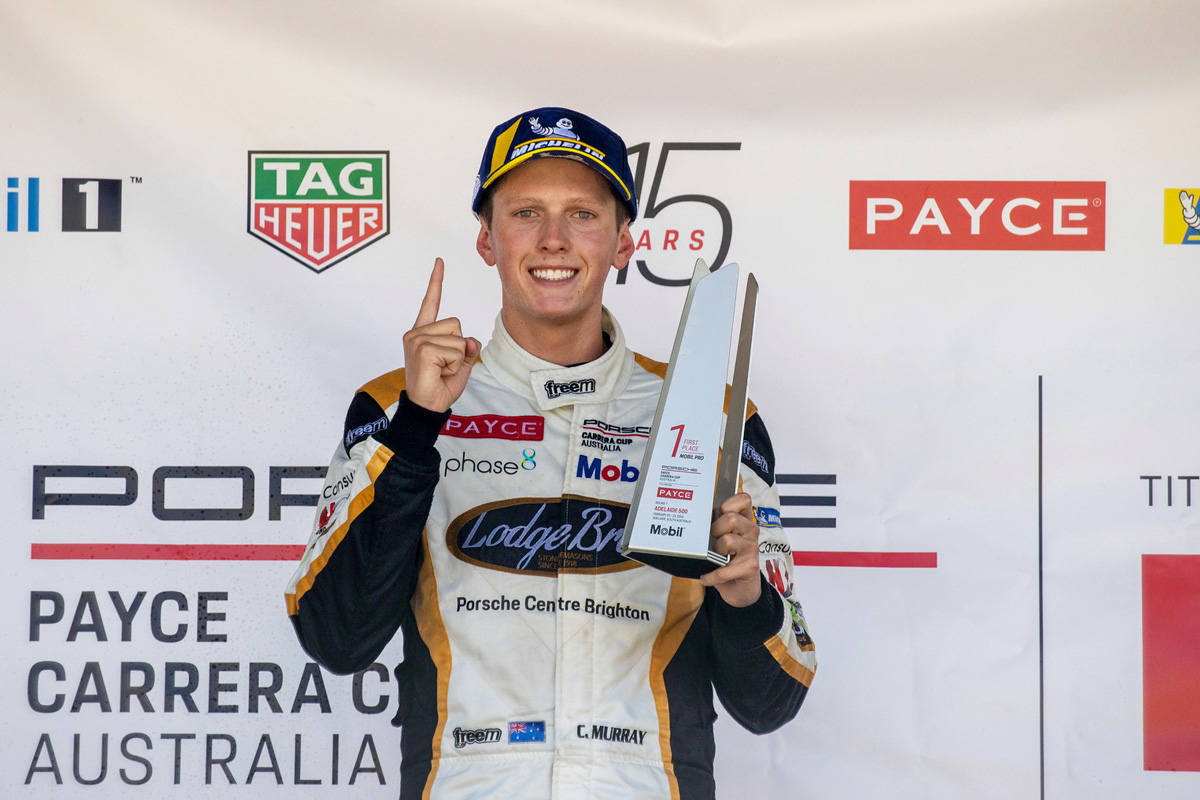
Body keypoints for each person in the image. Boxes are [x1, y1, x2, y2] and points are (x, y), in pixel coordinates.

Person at [285, 107, 816, 800]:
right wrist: (418, 428)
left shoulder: (713, 418)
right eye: (526, 212)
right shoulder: (398, 408)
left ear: (624, 242)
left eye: (583, 214)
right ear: (487, 239)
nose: (554, 239)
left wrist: (747, 595)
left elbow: (771, 702)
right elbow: (337, 639)